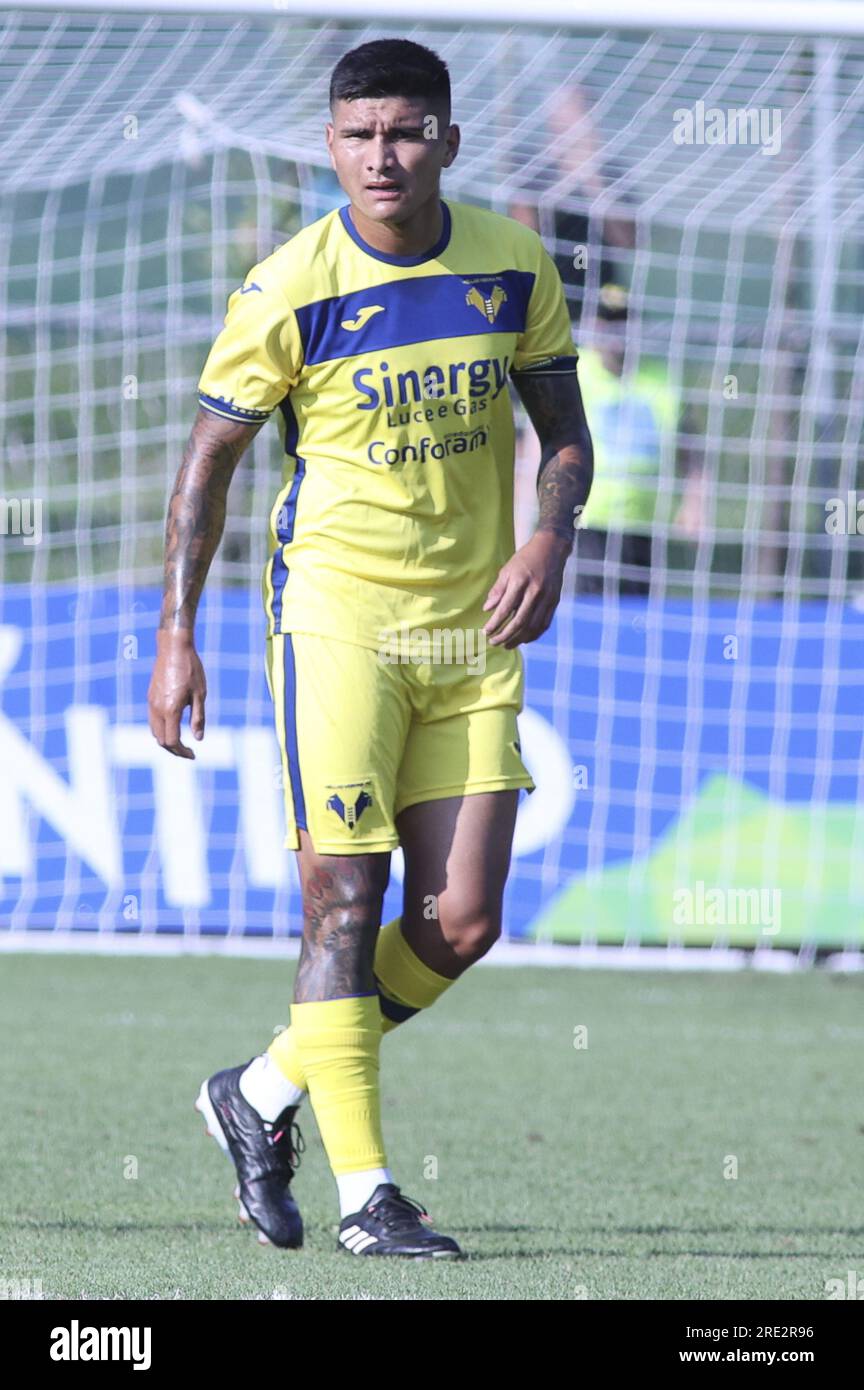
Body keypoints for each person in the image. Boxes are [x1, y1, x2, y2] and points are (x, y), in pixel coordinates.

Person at [147, 38, 593, 1260]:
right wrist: (175, 633)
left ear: (447, 140)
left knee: (463, 918)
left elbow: (564, 430)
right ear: (330, 146)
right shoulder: (290, 284)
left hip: (474, 628)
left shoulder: (510, 265)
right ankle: (368, 1198)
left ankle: (262, 1091)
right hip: (338, 625)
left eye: (405, 132)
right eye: (358, 135)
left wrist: (549, 539)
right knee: (345, 900)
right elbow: (207, 469)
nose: (381, 156)